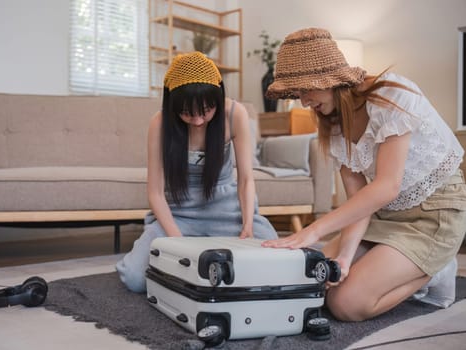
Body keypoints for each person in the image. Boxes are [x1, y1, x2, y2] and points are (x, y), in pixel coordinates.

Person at [262, 28, 466, 321]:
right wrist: (344, 257)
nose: (304, 102)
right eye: (297, 94)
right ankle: (394, 264)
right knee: (315, 282)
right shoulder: (332, 124)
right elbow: (359, 200)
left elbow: (386, 187)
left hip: (434, 215)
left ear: (329, 80)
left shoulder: (391, 95)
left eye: (305, 90)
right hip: (385, 215)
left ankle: (434, 272)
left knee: (346, 304)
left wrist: (314, 230)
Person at [117, 52, 278, 293]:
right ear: (172, 105)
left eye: (206, 110)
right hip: (178, 213)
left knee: (276, 263)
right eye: (187, 113)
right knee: (134, 279)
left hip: (227, 210)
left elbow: (245, 180)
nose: (199, 121)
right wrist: (178, 242)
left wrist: (247, 225)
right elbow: (156, 194)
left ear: (218, 97)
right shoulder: (159, 123)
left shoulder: (235, 114)